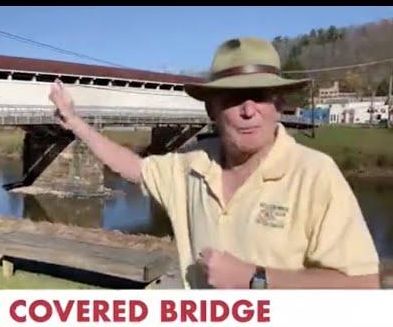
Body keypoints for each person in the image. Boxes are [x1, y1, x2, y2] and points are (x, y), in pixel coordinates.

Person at [48, 37, 381, 289]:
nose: (249, 110)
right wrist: (75, 122)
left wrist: (256, 279)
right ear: (212, 111)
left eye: (261, 97)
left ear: (279, 105)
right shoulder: (191, 167)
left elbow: (363, 285)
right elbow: (133, 167)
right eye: (234, 99)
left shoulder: (315, 174)